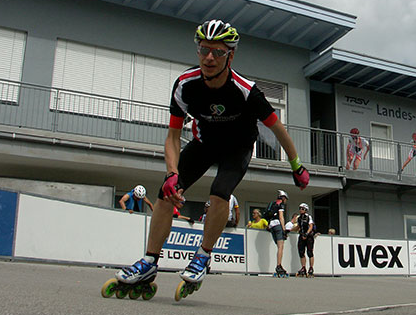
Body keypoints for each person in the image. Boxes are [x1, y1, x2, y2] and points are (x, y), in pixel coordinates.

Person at [112, 19, 309, 293]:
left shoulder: (247, 91)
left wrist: (297, 166)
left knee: (220, 192)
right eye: (204, 49)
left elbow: (279, 131)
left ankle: (203, 256)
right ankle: (149, 261)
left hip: (237, 148)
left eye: (217, 52)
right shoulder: (185, 84)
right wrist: (172, 173)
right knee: (165, 193)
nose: (209, 57)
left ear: (231, 55)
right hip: (203, 143)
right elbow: (171, 136)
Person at [265, 190, 290, 277]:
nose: (286, 200)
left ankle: (279, 264)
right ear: (283, 197)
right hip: (277, 225)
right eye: (286, 198)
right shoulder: (280, 204)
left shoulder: (272, 203)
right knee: (281, 247)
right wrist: (284, 230)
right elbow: (281, 217)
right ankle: (278, 265)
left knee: (278, 246)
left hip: (271, 225)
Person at [292, 202, 315, 277]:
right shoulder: (299, 218)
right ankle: (303, 267)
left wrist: (307, 233)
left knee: (309, 252)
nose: (300, 210)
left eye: (302, 209)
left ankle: (311, 268)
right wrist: (289, 230)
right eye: (300, 208)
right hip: (301, 236)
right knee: (301, 252)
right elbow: (298, 227)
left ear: (305, 210)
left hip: (308, 236)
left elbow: (311, 226)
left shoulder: (308, 217)